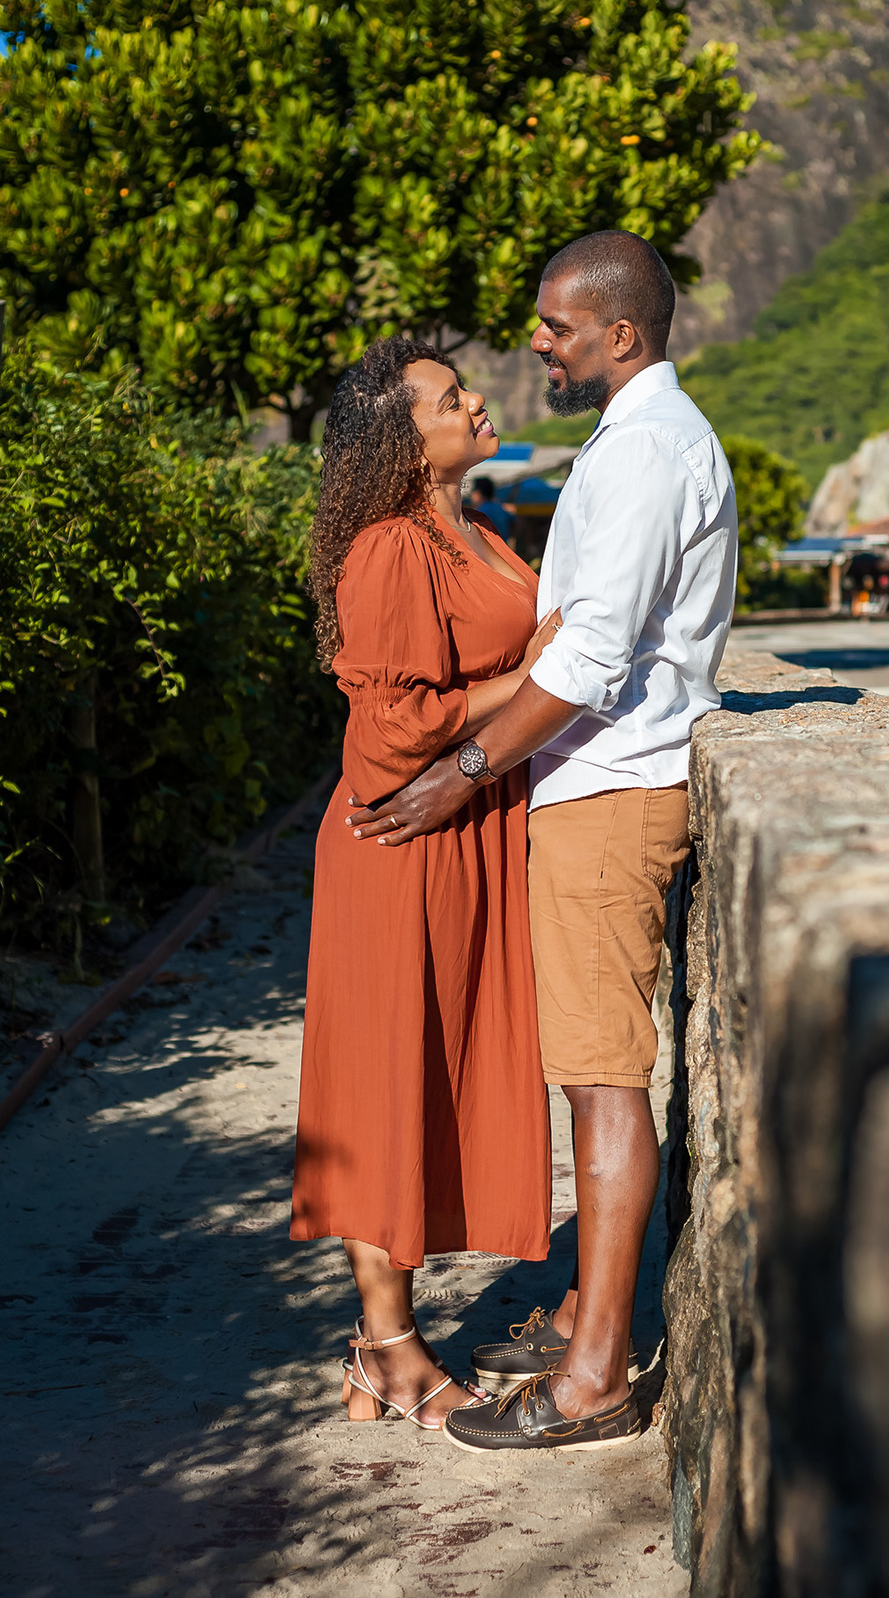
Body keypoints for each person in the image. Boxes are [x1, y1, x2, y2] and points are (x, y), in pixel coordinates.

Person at [349, 230, 739, 1453]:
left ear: (620, 333)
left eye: (556, 327)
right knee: (576, 1073)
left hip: (609, 791)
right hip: (588, 789)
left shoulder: (643, 453)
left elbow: (587, 659)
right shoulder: (633, 443)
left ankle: (592, 1380)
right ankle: (576, 1321)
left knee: (602, 1083)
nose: (535, 345)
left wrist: (465, 772)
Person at [290, 335, 560, 1431]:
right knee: (386, 1085)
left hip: (466, 829)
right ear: (405, 445)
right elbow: (388, 728)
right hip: (400, 840)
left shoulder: (479, 530)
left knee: (435, 1080)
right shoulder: (390, 547)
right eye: (450, 399)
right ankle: (388, 1348)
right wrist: (525, 678)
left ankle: (384, 1347)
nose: (475, 400)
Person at [469, 474, 513, 543]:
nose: (472, 496)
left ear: (478, 493)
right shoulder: (500, 509)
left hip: (487, 547)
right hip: (503, 546)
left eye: (473, 492)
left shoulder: (480, 513)